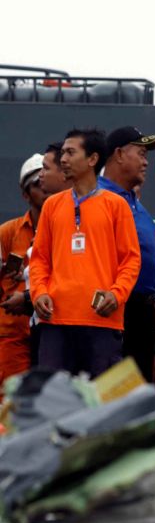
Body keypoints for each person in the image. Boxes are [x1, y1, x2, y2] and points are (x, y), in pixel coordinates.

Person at [29, 129, 141, 376]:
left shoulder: (116, 206)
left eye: (70, 152)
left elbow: (131, 260)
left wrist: (116, 294)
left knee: (99, 407)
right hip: (55, 324)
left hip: (102, 322)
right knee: (55, 402)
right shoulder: (52, 206)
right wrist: (39, 293)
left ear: (92, 159)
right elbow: (39, 260)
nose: (63, 160)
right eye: (62, 154)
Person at [99, 127, 155, 382]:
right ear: (119, 154)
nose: (146, 162)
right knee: (114, 396)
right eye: (141, 153)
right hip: (116, 312)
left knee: (138, 397)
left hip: (143, 316)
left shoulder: (135, 204)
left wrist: (154, 322)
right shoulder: (99, 199)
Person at [0, 155, 46, 391]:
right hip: (14, 337)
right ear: (26, 195)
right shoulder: (8, 233)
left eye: (46, 181)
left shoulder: (68, 229)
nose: (45, 189)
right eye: (38, 184)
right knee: (11, 405)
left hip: (51, 332)